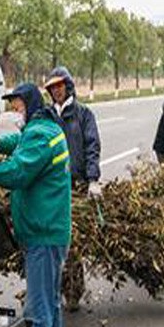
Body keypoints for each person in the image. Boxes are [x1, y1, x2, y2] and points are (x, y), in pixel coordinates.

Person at [0, 83, 71, 327]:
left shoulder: (39, 135)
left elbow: (19, 172)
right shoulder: (45, 128)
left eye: (18, 105)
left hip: (44, 235)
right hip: (50, 231)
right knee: (51, 297)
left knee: (38, 307)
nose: (15, 111)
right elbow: (18, 143)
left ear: (30, 104)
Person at [44, 66, 101, 310]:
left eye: (60, 86)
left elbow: (92, 145)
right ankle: (53, 288)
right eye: (52, 88)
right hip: (51, 187)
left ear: (68, 86)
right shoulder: (46, 115)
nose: (56, 91)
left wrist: (93, 178)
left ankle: (74, 291)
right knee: (52, 238)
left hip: (75, 184)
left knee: (72, 239)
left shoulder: (83, 114)